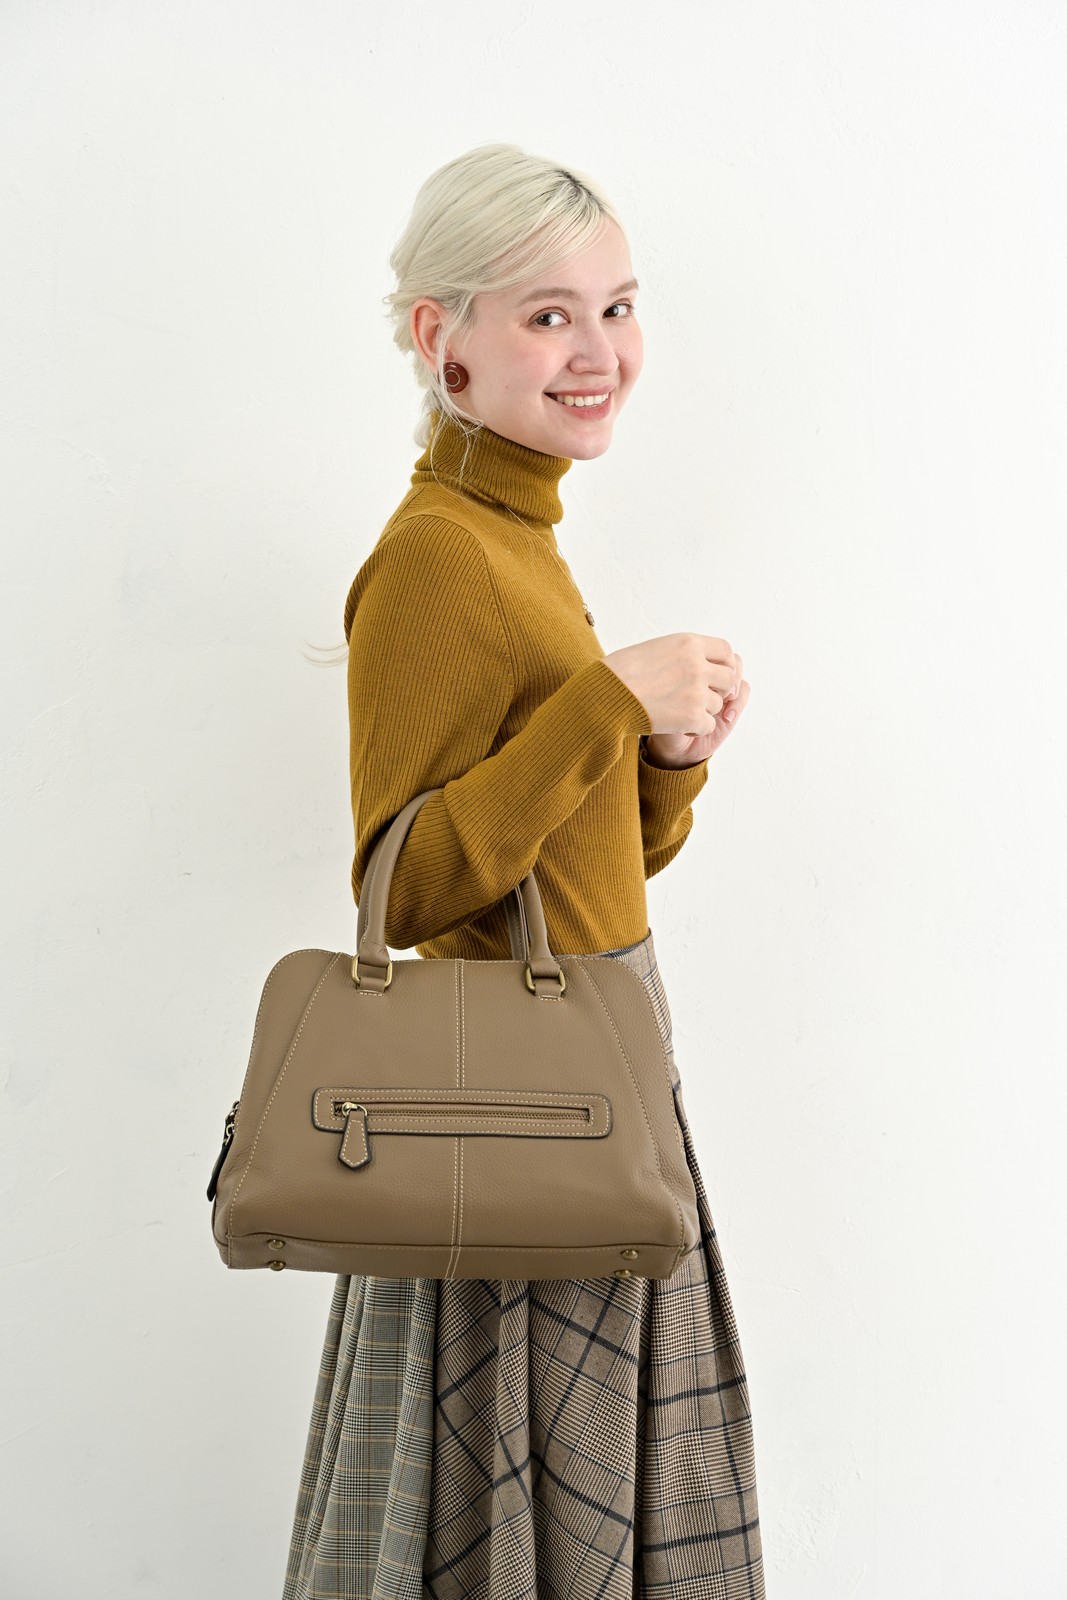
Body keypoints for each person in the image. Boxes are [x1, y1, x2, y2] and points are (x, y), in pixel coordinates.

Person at [283, 142, 765, 1600]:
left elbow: (583, 867)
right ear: (445, 340)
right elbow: (410, 881)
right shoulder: (439, 555)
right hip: (519, 1119)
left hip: (590, 1078)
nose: (600, 352)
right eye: (550, 315)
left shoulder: (517, 534)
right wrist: (602, 705)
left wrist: (662, 761)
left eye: (617, 307)